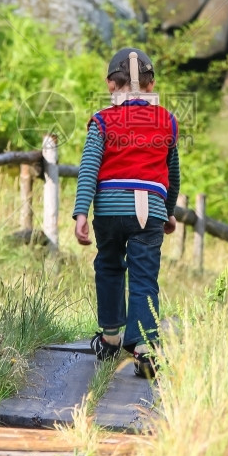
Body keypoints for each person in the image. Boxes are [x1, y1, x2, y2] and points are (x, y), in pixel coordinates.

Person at [72, 47, 181, 378]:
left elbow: (89, 167)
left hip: (108, 208)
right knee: (144, 275)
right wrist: (169, 210)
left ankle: (110, 337)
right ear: (151, 86)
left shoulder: (102, 120)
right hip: (150, 210)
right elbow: (172, 172)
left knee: (108, 264)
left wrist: (81, 212)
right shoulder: (167, 121)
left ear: (110, 85)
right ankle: (145, 347)